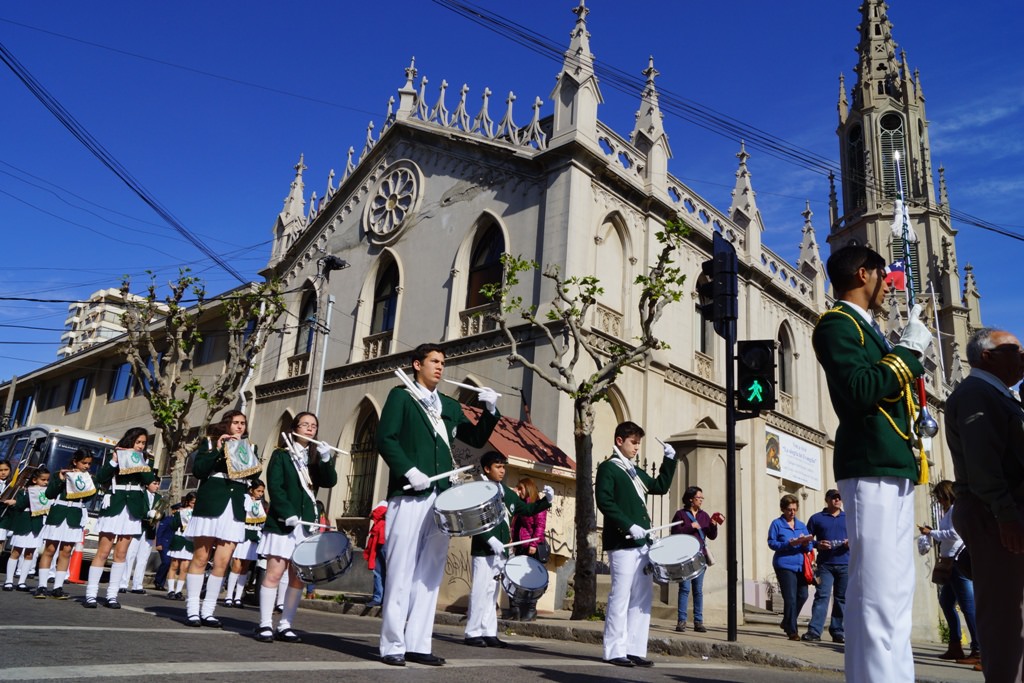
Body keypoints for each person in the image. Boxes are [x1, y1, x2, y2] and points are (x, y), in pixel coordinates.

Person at [811, 244, 931, 682]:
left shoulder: (869, 329)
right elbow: (861, 388)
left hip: (892, 462)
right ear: (864, 274)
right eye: (884, 275)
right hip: (869, 462)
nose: (889, 286)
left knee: (894, 590)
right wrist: (907, 353)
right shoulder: (836, 325)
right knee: (879, 593)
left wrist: (901, 350)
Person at [376, 343, 501, 667]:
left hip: (440, 497)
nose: (440, 367)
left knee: (430, 573)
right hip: (409, 494)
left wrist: (489, 412)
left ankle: (418, 642)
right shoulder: (401, 396)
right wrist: (409, 469)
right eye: (434, 361)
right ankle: (393, 644)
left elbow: (473, 440)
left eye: (443, 362)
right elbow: (385, 438)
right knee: (401, 569)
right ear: (417, 364)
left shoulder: (448, 404)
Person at [945, 327, 1024, 679]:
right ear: (988, 356)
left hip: (1002, 512)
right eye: (1015, 350)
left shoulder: (1001, 395)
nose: (1022, 356)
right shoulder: (977, 393)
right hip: (994, 516)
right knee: (1005, 618)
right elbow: (983, 463)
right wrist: (1005, 514)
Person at [595, 421, 677, 668]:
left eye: (639, 443)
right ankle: (614, 649)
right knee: (620, 595)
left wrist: (670, 460)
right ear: (619, 441)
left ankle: (634, 648)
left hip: (642, 543)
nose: (637, 448)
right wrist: (628, 525)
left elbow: (659, 487)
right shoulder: (610, 468)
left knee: (641, 598)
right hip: (622, 541)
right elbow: (604, 501)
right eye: (633, 442)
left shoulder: (632, 470)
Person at [255, 412, 337, 644]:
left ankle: (286, 624)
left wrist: (325, 459)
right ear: (295, 428)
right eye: (305, 425)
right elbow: (276, 486)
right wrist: (286, 512)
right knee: (274, 574)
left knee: (298, 578)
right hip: (284, 523)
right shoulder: (281, 455)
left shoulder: (313, 457)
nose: (310, 429)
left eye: (314, 425)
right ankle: (264, 624)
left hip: (306, 525)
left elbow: (329, 482)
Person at [464, 452, 552, 648]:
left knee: (492, 592)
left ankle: (488, 631)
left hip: (501, 550)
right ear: (487, 469)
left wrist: (546, 501)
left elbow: (526, 509)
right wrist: (489, 539)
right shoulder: (479, 489)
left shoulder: (505, 491)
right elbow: (474, 520)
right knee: (480, 590)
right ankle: (472, 632)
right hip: (484, 550)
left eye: (504, 466)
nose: (502, 470)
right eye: (498, 466)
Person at [184, 411, 259, 628]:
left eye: (243, 423)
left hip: (235, 504)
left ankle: (208, 610)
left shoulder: (250, 446)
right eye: (235, 423)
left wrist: (245, 455)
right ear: (227, 424)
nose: (239, 427)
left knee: (223, 561)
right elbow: (199, 470)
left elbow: (254, 476)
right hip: (212, 500)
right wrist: (218, 448)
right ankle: (192, 609)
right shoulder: (209, 442)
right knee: (200, 557)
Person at [84, 427, 157, 609]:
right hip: (115, 504)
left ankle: (112, 595)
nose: (140, 446)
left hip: (132, 507)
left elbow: (149, 479)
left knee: (121, 553)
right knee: (103, 551)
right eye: (138, 442)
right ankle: (91, 594)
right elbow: (101, 477)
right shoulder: (116, 455)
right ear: (130, 440)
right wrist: (115, 461)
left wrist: (140, 461)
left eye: (143, 443)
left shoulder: (143, 459)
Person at [918, 480, 978, 664]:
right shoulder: (948, 512)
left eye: (939, 497)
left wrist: (932, 532)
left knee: (968, 608)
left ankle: (978, 650)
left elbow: (954, 534)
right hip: (950, 564)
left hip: (957, 562)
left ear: (946, 494)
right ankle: (955, 645)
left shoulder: (955, 510)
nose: (939, 501)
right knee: (946, 602)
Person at [35, 450, 97, 599]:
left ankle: (58, 587)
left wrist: (87, 482)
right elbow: (49, 494)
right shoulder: (61, 473)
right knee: (49, 549)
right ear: (75, 461)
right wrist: (61, 479)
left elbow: (90, 496)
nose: (87, 466)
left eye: (89, 464)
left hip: (74, 515)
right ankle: (42, 586)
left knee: (66, 551)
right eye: (84, 463)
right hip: (58, 512)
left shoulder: (87, 478)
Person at [670, 485, 724, 633]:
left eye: (702, 498)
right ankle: (681, 621)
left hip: (700, 556)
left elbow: (712, 535)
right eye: (698, 498)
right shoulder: (680, 514)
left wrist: (713, 526)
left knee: (698, 591)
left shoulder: (704, 515)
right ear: (690, 499)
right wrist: (690, 527)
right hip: (685, 557)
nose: (701, 500)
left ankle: (698, 622)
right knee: (685, 589)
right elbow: (674, 533)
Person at [803, 489, 849, 643]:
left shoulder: (849, 518)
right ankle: (815, 631)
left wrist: (851, 543)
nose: (837, 500)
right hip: (824, 565)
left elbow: (860, 538)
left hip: (845, 564)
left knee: (841, 598)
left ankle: (837, 631)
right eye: (834, 497)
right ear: (827, 500)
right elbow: (806, 539)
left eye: (839, 497)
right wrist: (817, 544)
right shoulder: (816, 518)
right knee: (822, 596)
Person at [768, 494, 813, 641]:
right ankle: (792, 631)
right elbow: (771, 543)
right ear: (783, 509)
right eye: (789, 509)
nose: (792, 512)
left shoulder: (801, 525)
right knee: (791, 598)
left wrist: (806, 544)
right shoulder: (777, 524)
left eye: (794, 509)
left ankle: (787, 620)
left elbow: (810, 545)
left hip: (800, 566)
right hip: (784, 565)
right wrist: (788, 544)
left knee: (803, 595)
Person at [2, 467, 51, 591]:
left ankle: (22, 581)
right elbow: (20, 505)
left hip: (36, 524)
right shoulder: (25, 491)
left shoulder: (47, 492)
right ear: (34, 480)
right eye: (43, 480)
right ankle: (8, 580)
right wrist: (27, 496)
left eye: (47, 480)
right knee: (16, 552)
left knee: (29, 554)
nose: (46, 482)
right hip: (23, 522)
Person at [510, 476, 548, 621]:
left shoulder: (536, 504)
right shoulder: (521, 504)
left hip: (532, 545)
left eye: (521, 488)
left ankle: (530, 609)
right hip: (521, 544)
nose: (519, 491)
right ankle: (518, 609)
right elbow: (516, 524)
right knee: (518, 578)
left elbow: (540, 526)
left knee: (533, 579)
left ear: (528, 488)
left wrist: (533, 545)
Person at [223, 479, 266, 608]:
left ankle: (238, 597)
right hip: (242, 532)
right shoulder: (244, 498)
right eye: (258, 491)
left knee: (245, 568)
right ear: (251, 489)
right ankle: (229, 596)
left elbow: (262, 519)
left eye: (262, 492)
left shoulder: (259, 503)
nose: (260, 494)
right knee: (236, 565)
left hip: (253, 535)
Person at [121, 479, 162, 594]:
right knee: (130, 556)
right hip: (138, 528)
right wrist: (147, 514)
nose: (157, 486)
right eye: (154, 483)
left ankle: (137, 585)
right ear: (147, 484)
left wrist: (158, 516)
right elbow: (136, 509)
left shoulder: (159, 498)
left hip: (149, 530)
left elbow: (162, 512)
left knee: (143, 559)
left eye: (158, 484)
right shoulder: (140, 493)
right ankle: (123, 583)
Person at [165, 493, 196, 600]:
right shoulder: (181, 511)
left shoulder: (198, 514)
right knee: (174, 565)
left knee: (185, 568)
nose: (194, 505)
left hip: (189, 542)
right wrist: (177, 516)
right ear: (188, 502)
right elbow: (173, 526)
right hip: (179, 539)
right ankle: (170, 590)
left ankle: (178, 591)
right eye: (192, 503)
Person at [363, 500, 387, 607]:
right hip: (381, 540)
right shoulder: (387, 503)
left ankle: (381, 597)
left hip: (384, 539)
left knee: (382, 571)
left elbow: (373, 514)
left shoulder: (386, 503)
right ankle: (380, 597)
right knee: (379, 571)